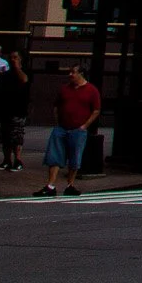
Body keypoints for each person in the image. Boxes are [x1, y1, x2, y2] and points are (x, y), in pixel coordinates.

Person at [37, 65, 101, 198]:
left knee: (75, 157)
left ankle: (70, 185)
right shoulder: (65, 89)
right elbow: (56, 106)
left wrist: (85, 125)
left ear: (81, 74)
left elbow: (96, 110)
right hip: (62, 127)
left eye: (73, 72)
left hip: (78, 129)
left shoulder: (91, 90)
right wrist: (57, 122)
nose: (70, 74)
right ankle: (51, 185)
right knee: (54, 156)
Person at [0, 48, 31, 173]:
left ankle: (18, 160)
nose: (12, 60)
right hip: (5, 109)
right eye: (11, 58)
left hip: (18, 110)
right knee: (5, 136)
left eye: (15, 57)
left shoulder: (25, 72)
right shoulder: (6, 75)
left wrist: (17, 67)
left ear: (21, 59)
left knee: (16, 136)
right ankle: (6, 160)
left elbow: (24, 80)